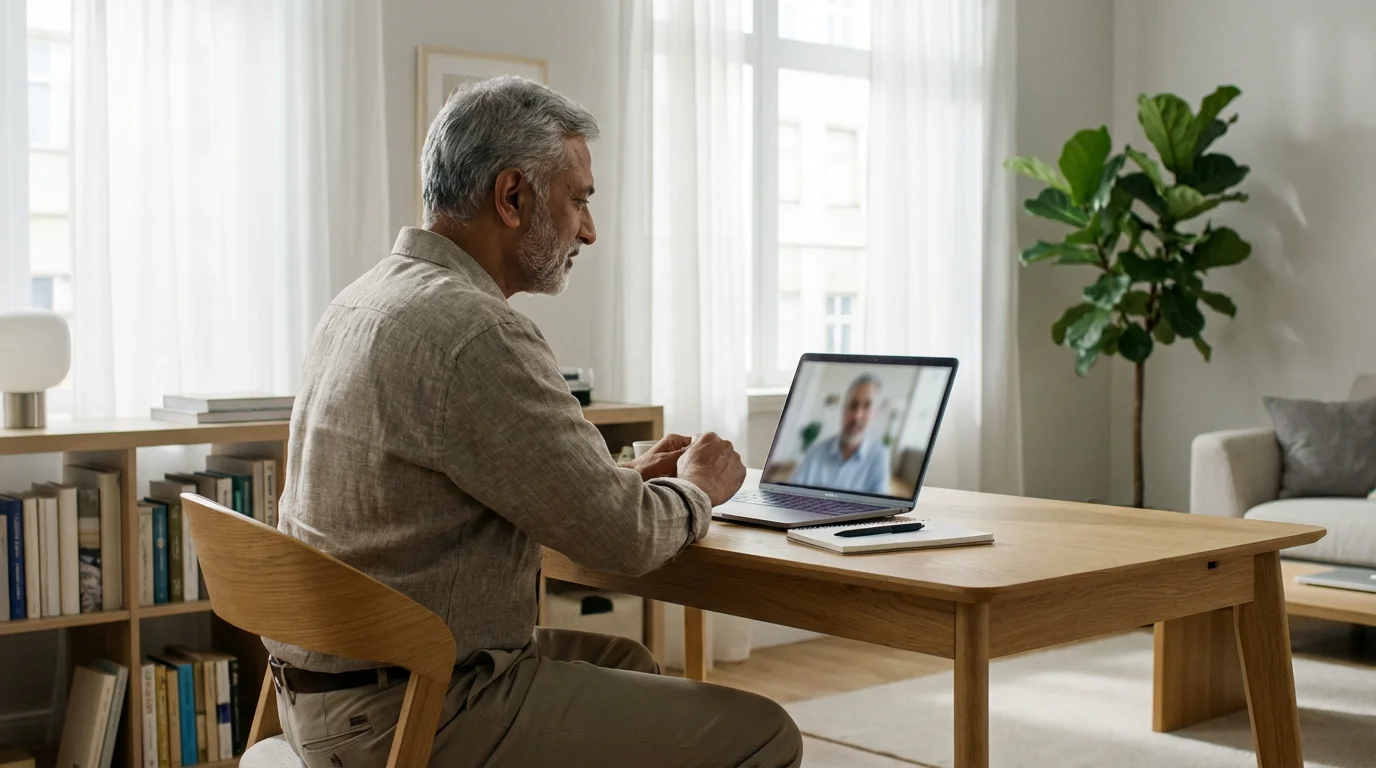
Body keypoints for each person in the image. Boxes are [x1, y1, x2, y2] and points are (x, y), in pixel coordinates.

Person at [264, 75, 802, 767]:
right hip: (414, 708)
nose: (590, 229)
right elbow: (626, 541)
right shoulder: (475, 330)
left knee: (626, 659)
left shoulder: (363, 300)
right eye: (578, 199)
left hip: (330, 691)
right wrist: (698, 489)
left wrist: (615, 480)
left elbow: (458, 486)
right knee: (765, 734)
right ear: (513, 196)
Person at [790, 374, 890, 495]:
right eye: (853, 405)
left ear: (875, 413)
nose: (857, 416)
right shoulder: (816, 450)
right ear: (843, 409)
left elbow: (880, 507)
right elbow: (791, 493)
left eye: (867, 406)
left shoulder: (880, 455)